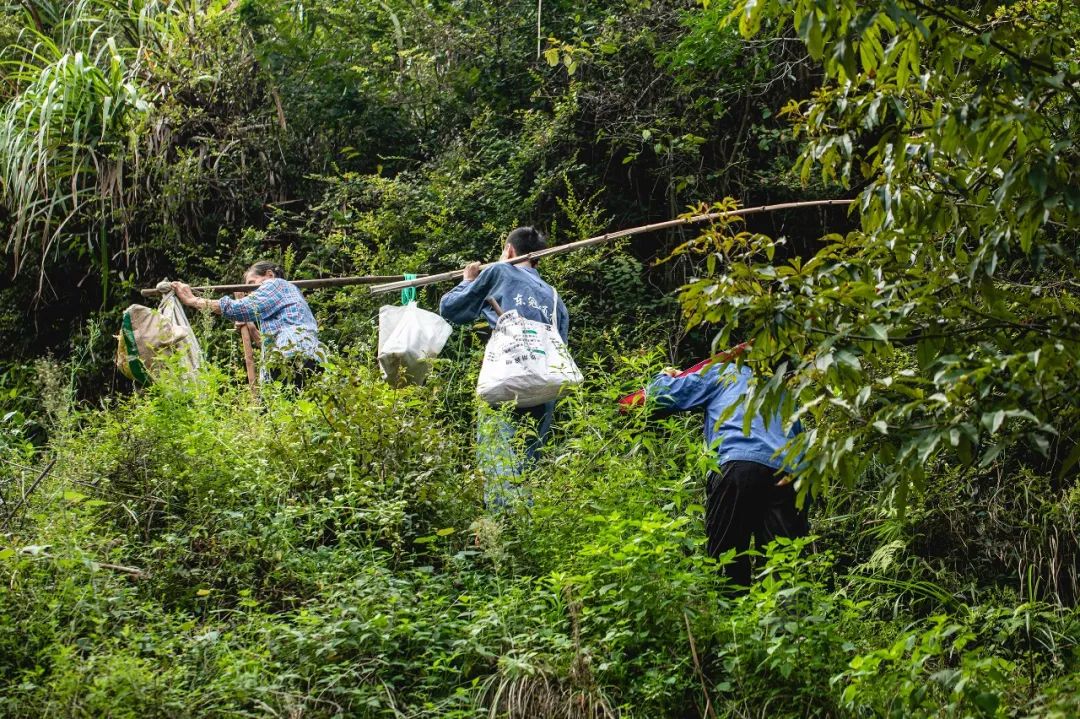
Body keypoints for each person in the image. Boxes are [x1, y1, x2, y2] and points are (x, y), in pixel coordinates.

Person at [647, 355, 808, 586]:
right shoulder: (782, 390)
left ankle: (731, 614)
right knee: (782, 570)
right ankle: (782, 618)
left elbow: (659, 397)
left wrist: (663, 377)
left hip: (738, 464)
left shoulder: (723, 372)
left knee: (725, 562)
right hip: (788, 475)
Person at [439, 226, 569, 507]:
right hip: (545, 387)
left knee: (499, 456)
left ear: (509, 250)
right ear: (536, 260)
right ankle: (526, 532)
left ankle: (505, 531)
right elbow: (561, 347)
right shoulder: (555, 296)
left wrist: (467, 280)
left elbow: (451, 309)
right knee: (527, 463)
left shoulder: (499, 271)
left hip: (507, 380)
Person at [172, 260, 325, 386]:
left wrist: (193, 300)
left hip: (293, 357)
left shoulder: (276, 284)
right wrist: (251, 326)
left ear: (269, 275)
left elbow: (240, 307)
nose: (251, 291)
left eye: (252, 283)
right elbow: (266, 344)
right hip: (302, 359)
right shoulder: (283, 303)